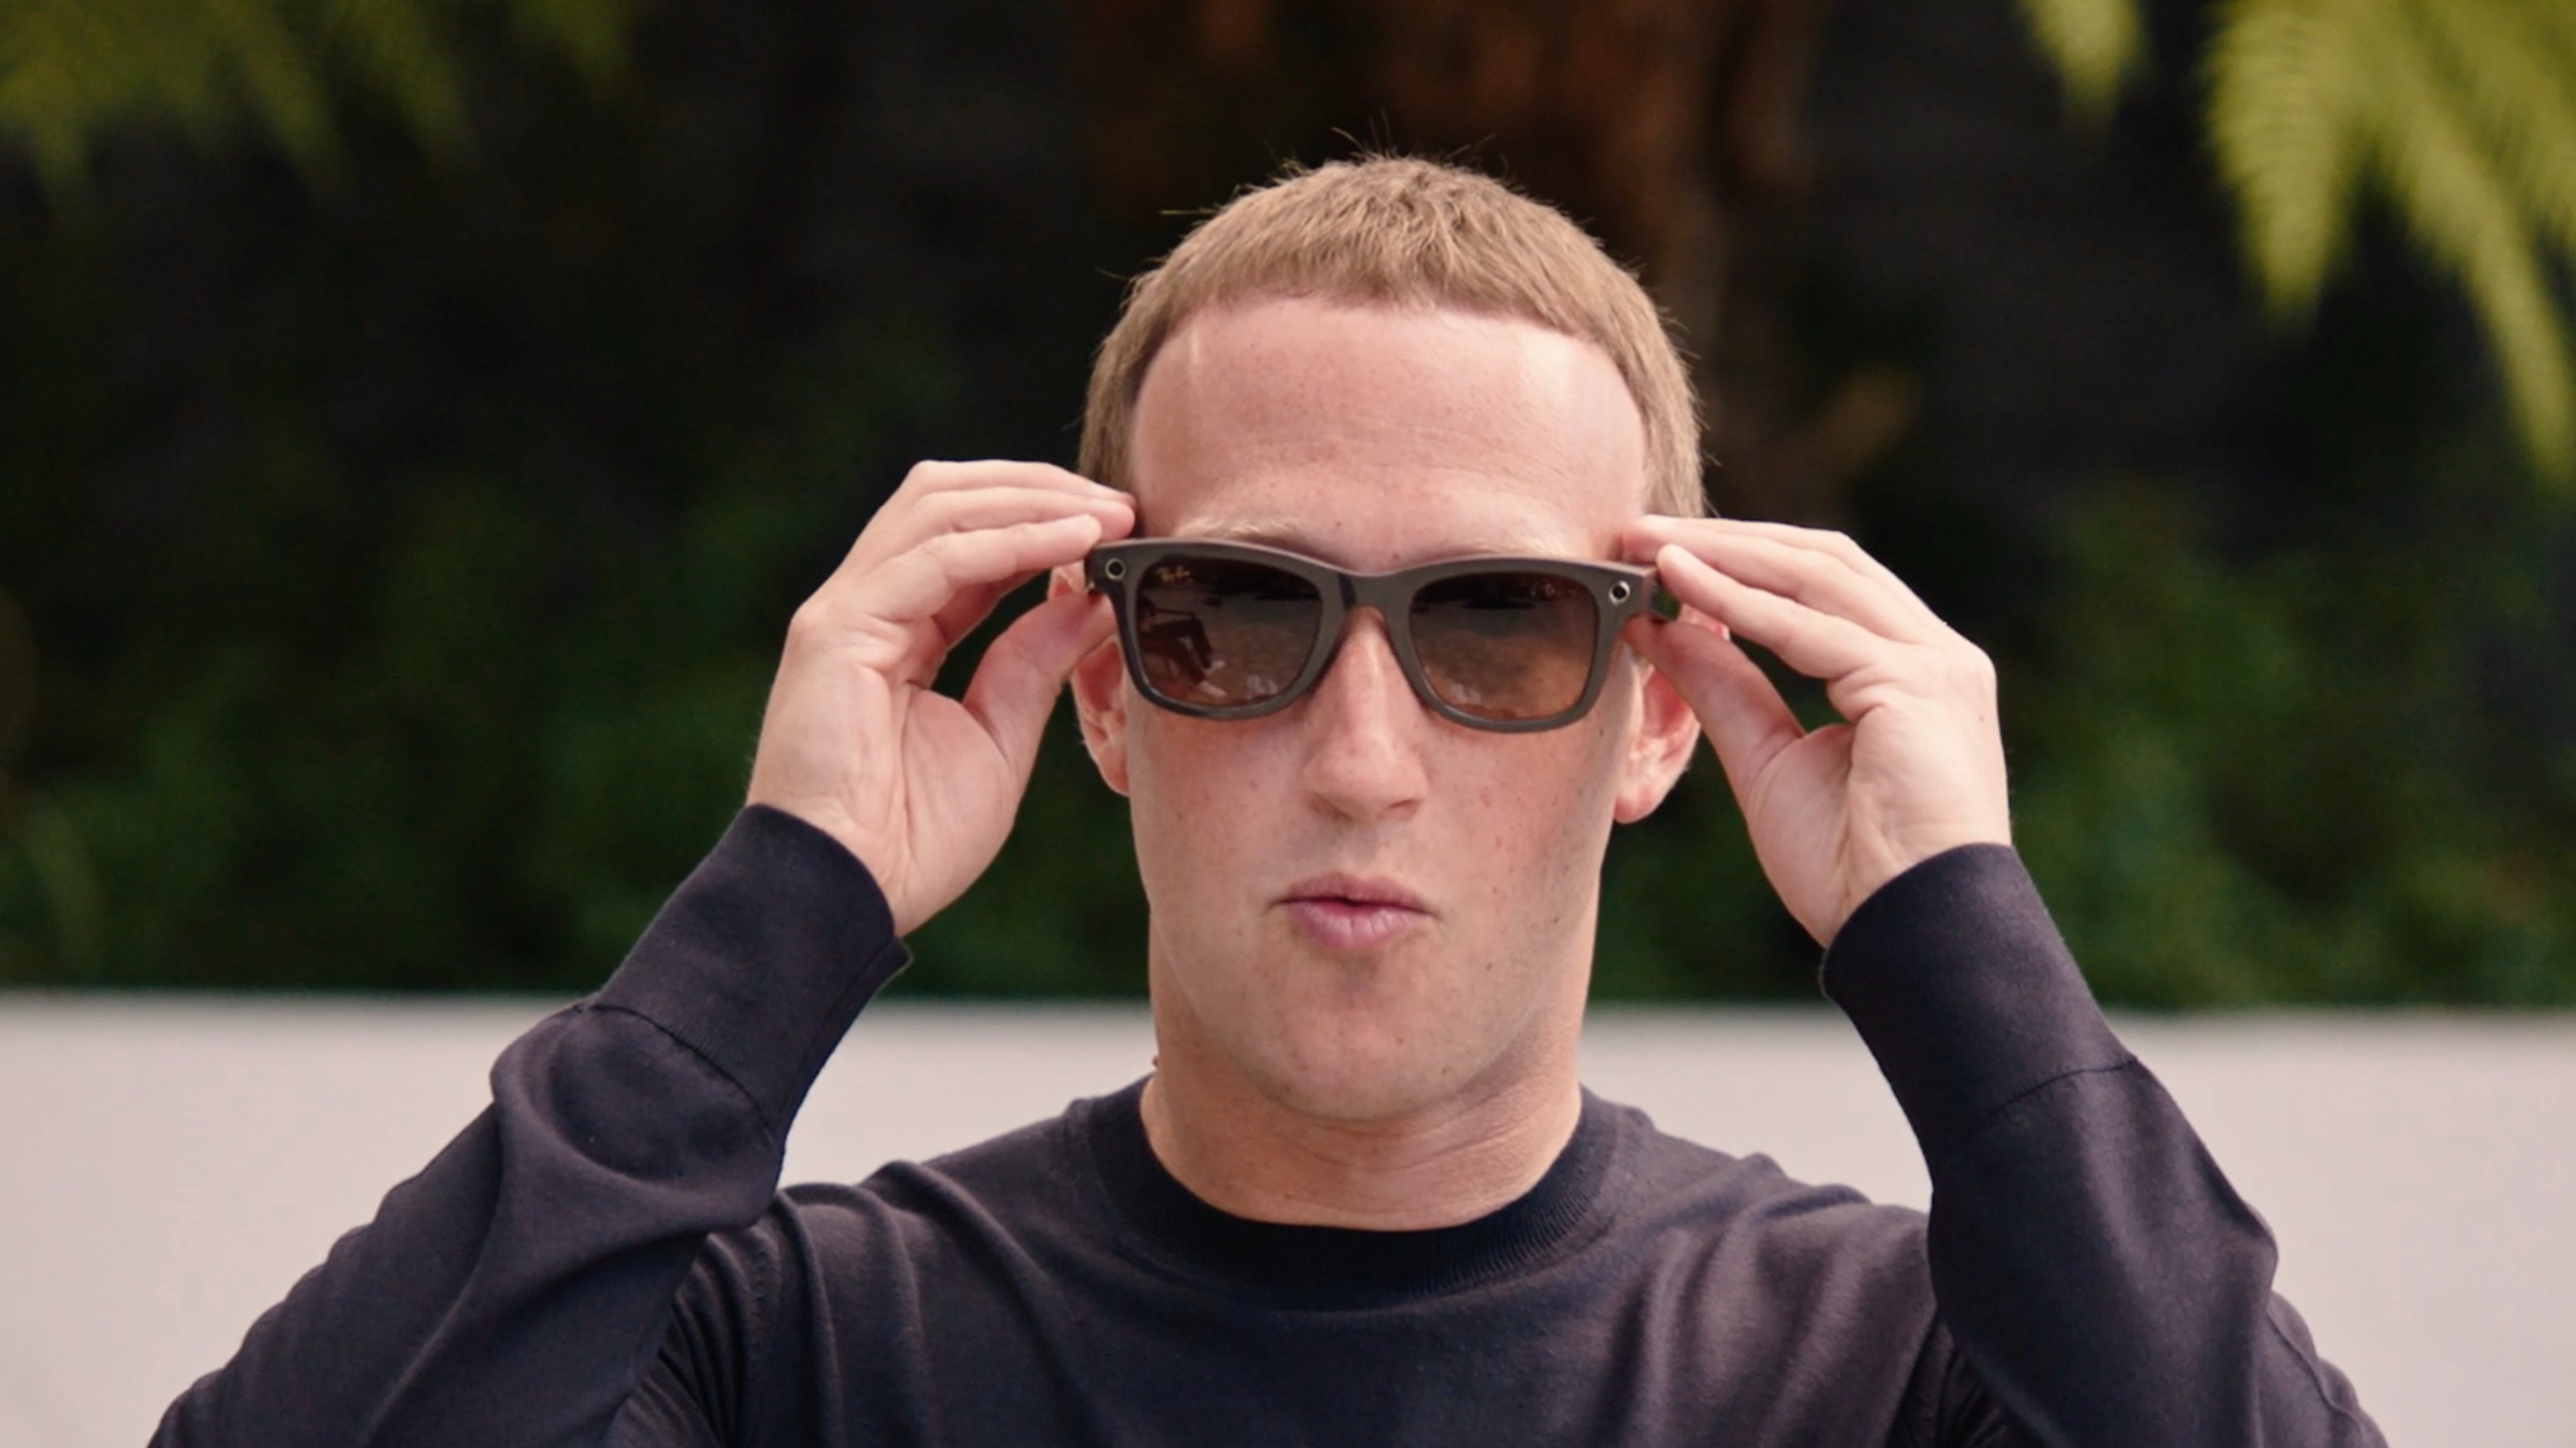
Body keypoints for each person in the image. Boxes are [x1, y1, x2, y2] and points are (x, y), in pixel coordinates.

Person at [155, 157, 2383, 1446]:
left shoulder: (1898, 1376)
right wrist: (788, 894)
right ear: (1103, 689)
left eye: (1500, 623)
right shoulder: (789, 1354)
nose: (1363, 759)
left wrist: (1960, 941)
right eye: (1236, 617)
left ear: (1663, 717)